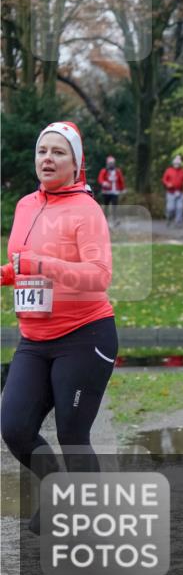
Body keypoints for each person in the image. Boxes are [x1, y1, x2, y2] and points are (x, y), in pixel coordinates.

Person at [1, 122, 118, 534]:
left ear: (75, 163)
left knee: (72, 433)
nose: (47, 159)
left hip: (85, 335)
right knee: (14, 428)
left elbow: (99, 275)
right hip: (35, 340)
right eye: (42, 151)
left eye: (58, 152)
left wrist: (41, 266)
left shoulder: (86, 211)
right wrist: (7, 274)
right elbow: (23, 265)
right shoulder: (25, 206)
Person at [97, 155, 125, 225]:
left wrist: (122, 189)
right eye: (110, 163)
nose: (111, 165)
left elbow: (121, 180)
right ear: (107, 164)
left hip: (115, 192)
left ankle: (115, 220)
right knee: (106, 206)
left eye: (112, 163)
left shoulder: (117, 171)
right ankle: (105, 220)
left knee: (114, 206)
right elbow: (100, 179)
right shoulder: (104, 171)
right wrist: (104, 183)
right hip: (106, 192)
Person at [162, 155, 183, 227]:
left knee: (180, 208)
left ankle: (178, 222)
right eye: (175, 163)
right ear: (173, 164)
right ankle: (169, 218)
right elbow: (164, 179)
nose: (176, 165)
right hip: (171, 192)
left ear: (180, 164)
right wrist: (167, 184)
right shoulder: (169, 170)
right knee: (171, 208)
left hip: (180, 192)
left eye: (178, 163)